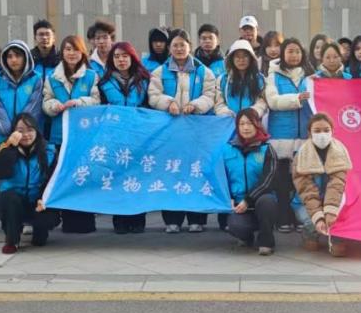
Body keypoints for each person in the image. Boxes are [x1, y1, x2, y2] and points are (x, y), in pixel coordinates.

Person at [149, 29, 217, 233]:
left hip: (196, 131)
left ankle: (197, 218)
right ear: (170, 48)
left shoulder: (204, 71)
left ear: (190, 46)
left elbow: (210, 95)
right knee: (171, 172)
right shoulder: (159, 72)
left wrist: (195, 105)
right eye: (175, 45)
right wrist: (168, 102)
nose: (179, 49)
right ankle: (172, 219)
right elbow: (153, 95)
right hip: (169, 132)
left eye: (183, 45)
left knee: (195, 172)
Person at [42, 35, 100, 234]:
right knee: (65, 177)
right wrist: (54, 106)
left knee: (83, 176)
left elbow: (96, 101)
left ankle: (85, 221)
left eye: (75, 49)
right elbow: (46, 101)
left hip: (84, 135)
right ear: (62, 52)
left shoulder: (91, 76)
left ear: (82, 52)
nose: (71, 53)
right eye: (67, 49)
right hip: (61, 135)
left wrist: (79, 102)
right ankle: (67, 221)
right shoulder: (52, 77)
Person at [98, 41, 151, 235]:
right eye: (117, 56)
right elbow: (99, 109)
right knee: (117, 177)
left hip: (139, 137)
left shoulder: (145, 80)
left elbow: (151, 106)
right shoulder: (104, 82)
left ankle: (138, 219)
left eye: (125, 56)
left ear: (132, 57)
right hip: (115, 138)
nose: (121, 60)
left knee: (137, 176)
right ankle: (119, 219)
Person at [0, 114, 60, 254]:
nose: (26, 135)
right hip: (14, 199)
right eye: (20, 131)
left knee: (41, 238)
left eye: (30, 130)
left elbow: (53, 179)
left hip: (37, 200)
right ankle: (12, 240)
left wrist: (43, 198)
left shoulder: (48, 151)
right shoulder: (4, 147)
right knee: (9, 199)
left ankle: (40, 231)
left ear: (36, 131)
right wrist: (9, 148)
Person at [265, 37, 314, 231]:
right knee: (282, 181)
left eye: (297, 51)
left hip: (304, 135)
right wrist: (297, 99)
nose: (294, 55)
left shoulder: (310, 76)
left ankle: (301, 215)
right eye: (290, 51)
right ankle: (283, 217)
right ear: (283, 53)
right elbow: (273, 101)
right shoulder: (273, 75)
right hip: (281, 135)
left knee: (302, 179)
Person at [292, 113, 352, 256]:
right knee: (310, 222)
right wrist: (318, 216)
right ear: (310, 133)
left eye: (326, 130)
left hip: (336, 201)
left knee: (339, 249)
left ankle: (337, 237)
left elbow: (337, 184)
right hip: (306, 203)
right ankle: (309, 234)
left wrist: (330, 212)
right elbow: (306, 190)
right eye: (317, 131)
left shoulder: (340, 152)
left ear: (332, 131)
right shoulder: (301, 155)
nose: (322, 134)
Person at [222, 108, 280, 255]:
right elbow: (222, 177)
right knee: (235, 225)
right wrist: (229, 197)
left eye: (250, 123)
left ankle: (266, 241)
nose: (246, 127)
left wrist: (248, 200)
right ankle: (246, 238)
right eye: (242, 124)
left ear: (257, 125)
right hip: (239, 203)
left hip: (260, 200)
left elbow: (268, 180)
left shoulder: (267, 149)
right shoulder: (228, 149)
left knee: (267, 202)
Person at [0, 41, 44, 149]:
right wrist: (9, 132)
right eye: (9, 56)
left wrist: (20, 131)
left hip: (27, 137)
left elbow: (34, 107)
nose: (13, 60)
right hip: (2, 138)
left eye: (18, 56)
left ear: (26, 57)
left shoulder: (36, 79)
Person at [215, 40, 267, 116]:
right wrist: (227, 113)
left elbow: (262, 102)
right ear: (232, 59)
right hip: (229, 120)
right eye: (237, 56)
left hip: (252, 120)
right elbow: (219, 103)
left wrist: (251, 113)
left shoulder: (260, 79)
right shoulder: (223, 80)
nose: (241, 60)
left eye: (245, 56)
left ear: (251, 58)